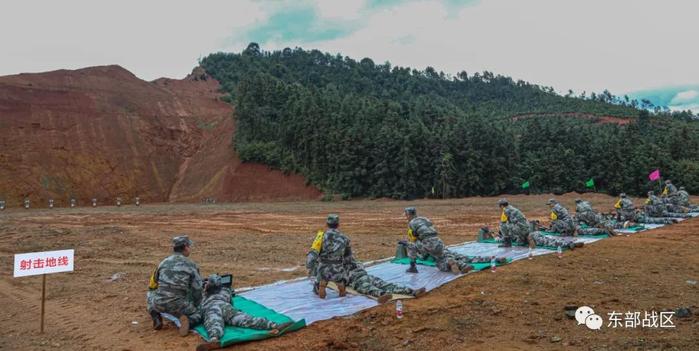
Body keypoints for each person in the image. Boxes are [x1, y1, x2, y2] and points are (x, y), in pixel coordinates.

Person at [196, 274, 292, 351]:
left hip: (211, 308)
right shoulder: (225, 290)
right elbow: (231, 302)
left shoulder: (202, 294)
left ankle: (214, 339)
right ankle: (274, 325)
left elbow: (197, 307)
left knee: (214, 323)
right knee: (246, 319)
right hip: (226, 307)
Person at [147, 235, 203, 336]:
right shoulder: (191, 264)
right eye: (189, 246)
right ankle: (188, 322)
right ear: (185, 247)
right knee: (200, 314)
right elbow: (197, 290)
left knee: (150, 294)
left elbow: (154, 281)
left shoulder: (163, 262)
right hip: (178, 305)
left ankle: (155, 315)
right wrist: (197, 306)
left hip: (159, 303)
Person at [401, 207, 459, 274]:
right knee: (442, 257)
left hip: (428, 244)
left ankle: (413, 267)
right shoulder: (424, 219)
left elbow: (414, 238)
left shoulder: (411, 223)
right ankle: (456, 263)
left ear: (408, 215)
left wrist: (406, 242)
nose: (406, 217)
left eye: (406, 215)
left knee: (410, 246)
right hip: (438, 241)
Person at [308, 214, 352, 299]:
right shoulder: (345, 238)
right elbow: (348, 255)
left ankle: (321, 303)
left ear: (327, 224)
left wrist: (310, 266)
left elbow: (314, 252)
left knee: (322, 285)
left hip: (323, 266)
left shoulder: (320, 237)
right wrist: (347, 267)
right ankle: (342, 302)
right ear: (338, 225)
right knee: (341, 285)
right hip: (337, 266)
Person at [345, 257, 427, 302]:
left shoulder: (336, 266)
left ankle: (382, 294)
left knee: (368, 288)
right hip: (368, 276)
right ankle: (412, 292)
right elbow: (361, 266)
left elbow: (341, 280)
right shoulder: (352, 260)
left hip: (357, 280)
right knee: (387, 285)